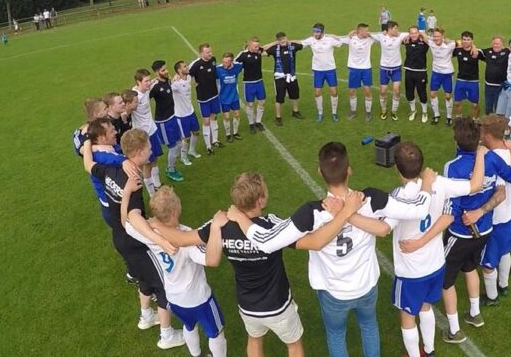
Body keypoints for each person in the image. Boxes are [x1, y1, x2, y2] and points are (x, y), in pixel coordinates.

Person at [241, 142, 435, 357]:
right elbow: (419, 209)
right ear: (349, 169)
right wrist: (426, 183)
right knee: (369, 327)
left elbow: (266, 243)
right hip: (366, 285)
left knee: (336, 335)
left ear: (320, 173)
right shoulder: (369, 198)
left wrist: (241, 218)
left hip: (333, 292)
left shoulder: (311, 213)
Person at [150, 172, 365, 357]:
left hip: (247, 304)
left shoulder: (221, 225)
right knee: (294, 344)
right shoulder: (272, 225)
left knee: (254, 339)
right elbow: (315, 242)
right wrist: (343, 214)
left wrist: (155, 223)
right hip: (278, 304)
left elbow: (180, 239)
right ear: (260, 201)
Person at [344, 141, 485, 357]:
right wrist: (481, 154)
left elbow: (383, 228)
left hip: (411, 271)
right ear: (422, 164)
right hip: (436, 263)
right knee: (426, 306)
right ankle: (429, 350)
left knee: (408, 316)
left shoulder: (399, 196)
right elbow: (475, 185)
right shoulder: (439, 182)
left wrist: (349, 215)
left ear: (395, 167)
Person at [81, 129, 183, 349]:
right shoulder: (133, 178)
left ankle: (146, 316)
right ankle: (167, 336)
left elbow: (87, 165)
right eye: (148, 148)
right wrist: (160, 240)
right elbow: (134, 217)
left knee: (143, 278)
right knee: (164, 286)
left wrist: (86, 143)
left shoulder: (110, 167)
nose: (151, 150)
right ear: (138, 151)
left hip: (118, 239)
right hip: (135, 242)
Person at [440, 117, 511, 344]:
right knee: (470, 267)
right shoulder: (492, 157)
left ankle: (454, 330)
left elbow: (451, 204)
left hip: (460, 232)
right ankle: (475, 314)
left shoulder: (452, 166)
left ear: (456, 139)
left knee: (445, 281)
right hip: (484, 229)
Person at [121, 186, 227, 356]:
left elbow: (125, 221)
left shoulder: (149, 232)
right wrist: (215, 231)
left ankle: (196, 355)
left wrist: (126, 194)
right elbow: (210, 260)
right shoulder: (185, 237)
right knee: (216, 333)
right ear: (176, 211)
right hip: (199, 299)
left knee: (189, 326)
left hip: (174, 297)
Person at [476, 115, 511, 304]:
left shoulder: (491, 160)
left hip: (498, 216)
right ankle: (503, 285)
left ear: (487, 136)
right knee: (505, 250)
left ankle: (491, 296)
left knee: (488, 261)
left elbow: (498, 190)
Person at [149, 60, 185, 182]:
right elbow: (144, 97)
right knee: (173, 147)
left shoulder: (168, 80)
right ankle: (170, 170)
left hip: (173, 117)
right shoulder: (155, 86)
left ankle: (172, 166)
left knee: (180, 143)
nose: (166, 71)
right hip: (163, 122)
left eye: (166, 68)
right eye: (163, 70)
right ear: (157, 72)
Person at [300, 23, 344, 122]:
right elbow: (299, 43)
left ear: (322, 32)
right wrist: (284, 41)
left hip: (330, 70)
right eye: (314, 31)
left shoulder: (330, 40)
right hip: (317, 71)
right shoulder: (311, 40)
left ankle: (334, 112)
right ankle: (320, 113)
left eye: (318, 32)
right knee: (317, 92)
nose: (315, 34)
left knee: (334, 91)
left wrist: (332, 35)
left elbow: (341, 42)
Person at [131, 69, 165, 194]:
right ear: (138, 82)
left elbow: (157, 79)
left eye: (149, 80)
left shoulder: (146, 89)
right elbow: (126, 109)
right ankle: (151, 193)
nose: (149, 83)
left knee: (155, 159)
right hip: (143, 136)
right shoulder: (134, 96)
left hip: (153, 130)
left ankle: (157, 184)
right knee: (147, 164)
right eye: (146, 81)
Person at [370, 21, 409, 121]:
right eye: (396, 28)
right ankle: (383, 110)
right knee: (383, 91)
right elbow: (367, 33)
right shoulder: (381, 36)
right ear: (390, 29)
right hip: (384, 69)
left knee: (396, 90)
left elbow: (415, 33)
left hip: (396, 69)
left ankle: (394, 111)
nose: (398, 30)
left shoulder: (400, 36)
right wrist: (352, 32)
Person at [264, 32, 305, 126]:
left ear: (286, 38)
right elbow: (262, 50)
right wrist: (274, 43)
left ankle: (295, 111)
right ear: (277, 40)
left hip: (291, 76)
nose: (282, 41)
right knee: (279, 97)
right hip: (280, 76)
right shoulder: (274, 49)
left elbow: (302, 43)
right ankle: (278, 117)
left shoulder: (292, 46)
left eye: (283, 38)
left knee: (295, 94)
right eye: (280, 39)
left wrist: (289, 41)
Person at [188, 43, 222, 154]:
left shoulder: (213, 60)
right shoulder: (196, 64)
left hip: (214, 94)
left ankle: (215, 140)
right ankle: (208, 146)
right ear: (201, 53)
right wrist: (194, 82)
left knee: (214, 117)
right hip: (203, 98)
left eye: (210, 51)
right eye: (207, 52)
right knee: (206, 121)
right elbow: (186, 73)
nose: (210, 54)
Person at [339, 24, 377, 121]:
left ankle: (368, 112)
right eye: (366, 31)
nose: (368, 32)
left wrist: (371, 34)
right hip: (354, 68)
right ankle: (353, 111)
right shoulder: (351, 38)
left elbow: (381, 35)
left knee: (367, 90)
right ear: (360, 31)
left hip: (366, 68)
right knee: (352, 91)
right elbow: (337, 38)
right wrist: (349, 34)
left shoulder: (370, 39)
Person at [171, 61, 201, 164]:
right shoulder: (176, 84)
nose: (187, 67)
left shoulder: (188, 77)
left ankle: (191, 150)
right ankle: (183, 157)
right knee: (186, 138)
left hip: (190, 111)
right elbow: (168, 89)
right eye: (184, 66)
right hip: (181, 115)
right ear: (179, 70)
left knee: (196, 132)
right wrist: (172, 80)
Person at [236, 38, 268, 132]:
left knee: (262, 102)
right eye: (255, 46)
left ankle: (258, 121)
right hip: (249, 84)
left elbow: (266, 48)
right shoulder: (243, 54)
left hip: (259, 82)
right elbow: (234, 63)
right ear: (249, 46)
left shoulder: (258, 52)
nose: (257, 48)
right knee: (250, 104)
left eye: (258, 46)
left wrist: (276, 42)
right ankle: (251, 123)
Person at [428, 28, 457, 125]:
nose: (436, 38)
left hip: (447, 73)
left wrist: (449, 40)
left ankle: (449, 117)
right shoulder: (431, 42)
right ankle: (436, 115)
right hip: (436, 73)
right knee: (432, 94)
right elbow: (422, 35)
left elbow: (461, 42)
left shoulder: (450, 45)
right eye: (434, 36)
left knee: (448, 96)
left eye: (438, 36)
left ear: (442, 37)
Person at [453, 31, 484, 119]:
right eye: (464, 39)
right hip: (460, 80)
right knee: (457, 102)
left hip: (473, 81)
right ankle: (459, 118)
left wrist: (474, 48)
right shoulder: (457, 50)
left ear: (472, 41)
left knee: (474, 105)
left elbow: (488, 59)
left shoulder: (477, 52)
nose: (466, 41)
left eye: (468, 40)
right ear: (461, 40)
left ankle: (475, 120)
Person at [402, 26, 430, 122]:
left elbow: (428, 39)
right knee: (409, 93)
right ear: (409, 34)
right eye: (412, 33)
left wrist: (422, 34)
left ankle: (424, 112)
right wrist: (407, 36)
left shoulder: (424, 42)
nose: (414, 35)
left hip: (420, 72)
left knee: (422, 93)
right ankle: (413, 111)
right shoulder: (407, 41)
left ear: (419, 33)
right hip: (409, 71)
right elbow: (396, 36)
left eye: (415, 33)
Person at [216, 52, 245, 140]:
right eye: (223, 61)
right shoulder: (218, 69)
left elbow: (245, 60)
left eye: (227, 62)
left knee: (236, 114)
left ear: (231, 61)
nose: (224, 64)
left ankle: (235, 132)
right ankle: (228, 134)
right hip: (223, 97)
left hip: (234, 96)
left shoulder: (237, 67)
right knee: (227, 117)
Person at [481, 36, 511, 115]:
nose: (495, 45)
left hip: (501, 85)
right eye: (494, 43)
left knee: (499, 108)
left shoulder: (507, 52)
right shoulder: (488, 51)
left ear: (502, 44)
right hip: (489, 85)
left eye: (498, 44)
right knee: (488, 107)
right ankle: (488, 124)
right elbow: (477, 52)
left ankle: (499, 125)